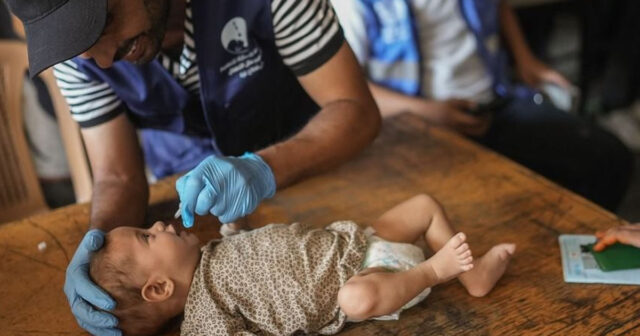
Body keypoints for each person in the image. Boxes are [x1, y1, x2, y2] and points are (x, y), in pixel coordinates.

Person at [6, 0, 381, 334]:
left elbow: (356, 110)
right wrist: (101, 257)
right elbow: (117, 176)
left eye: (104, 23)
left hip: (315, 179)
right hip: (190, 205)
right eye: (85, 50)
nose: (104, 60)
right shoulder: (83, 59)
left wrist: (264, 168)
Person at [331, 0, 633, 211]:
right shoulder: (355, 5)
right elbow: (347, 92)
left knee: (609, 159)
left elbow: (498, 7)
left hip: (496, 105)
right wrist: (426, 112)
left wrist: (526, 60)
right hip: (416, 125)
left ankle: (577, 249)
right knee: (462, 211)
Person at [88, 194, 515, 335]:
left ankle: (473, 276)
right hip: (365, 278)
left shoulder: (211, 251)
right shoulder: (205, 316)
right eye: (148, 235)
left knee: (424, 205)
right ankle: (437, 272)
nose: (159, 223)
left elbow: (247, 245)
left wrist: (235, 219)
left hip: (358, 240)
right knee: (358, 299)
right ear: (160, 289)